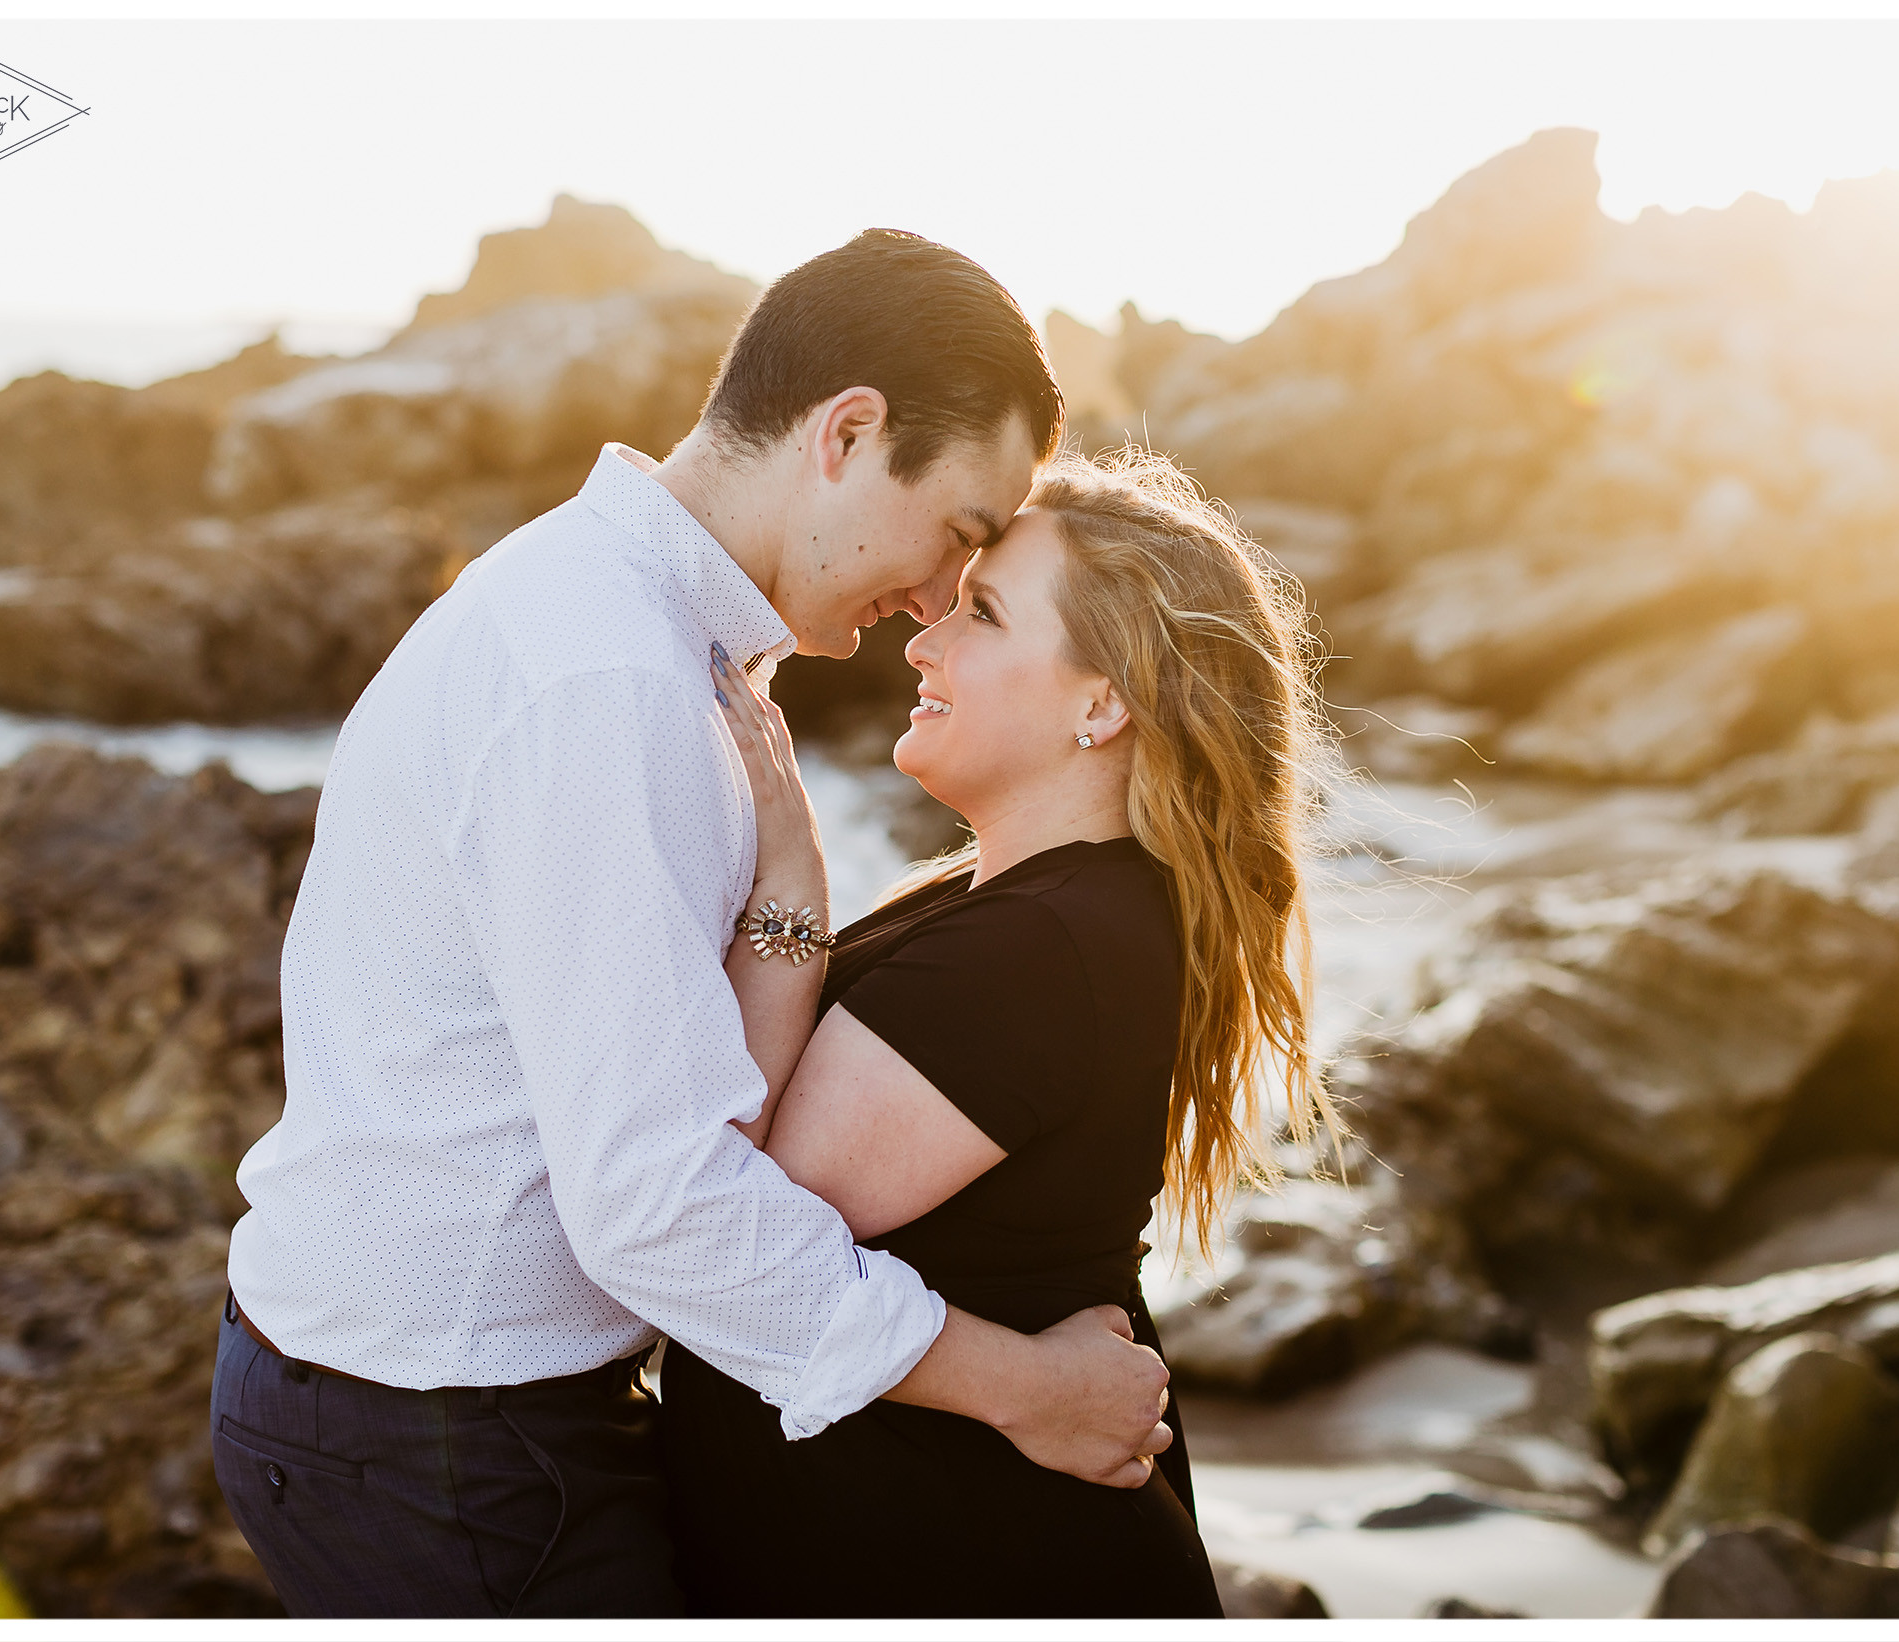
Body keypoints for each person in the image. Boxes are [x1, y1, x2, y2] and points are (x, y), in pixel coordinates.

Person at [209, 231, 1175, 1619]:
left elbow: (686, 1110)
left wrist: (788, 896)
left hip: (430, 1402)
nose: (929, 601)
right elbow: (660, 1205)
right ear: (847, 433)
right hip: (435, 1434)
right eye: (959, 535)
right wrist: (1025, 1386)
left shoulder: (641, 636)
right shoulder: (615, 682)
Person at [661, 447, 1338, 1617]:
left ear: (1100, 701)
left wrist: (789, 887)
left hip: (973, 1559)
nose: (921, 643)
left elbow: (724, 1221)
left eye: (982, 612)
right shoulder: (1038, 903)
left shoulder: (1047, 947)